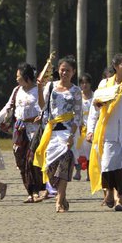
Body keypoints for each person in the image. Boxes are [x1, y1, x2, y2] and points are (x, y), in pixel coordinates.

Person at [87, 53, 122, 211]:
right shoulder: (104, 84)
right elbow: (95, 109)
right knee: (107, 165)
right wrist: (90, 130)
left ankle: (121, 198)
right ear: (115, 66)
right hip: (108, 131)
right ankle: (109, 191)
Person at [0, 62, 44, 203]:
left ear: (27, 77)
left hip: (35, 130)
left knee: (32, 160)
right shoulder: (16, 90)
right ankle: (30, 192)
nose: (16, 78)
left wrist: (41, 117)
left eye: (18, 76)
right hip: (19, 130)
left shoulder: (39, 91)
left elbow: (45, 107)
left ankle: (38, 189)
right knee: (21, 161)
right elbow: (8, 107)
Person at [34, 56, 82, 213]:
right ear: (58, 70)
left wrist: (71, 136)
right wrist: (40, 89)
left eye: (68, 70)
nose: (65, 73)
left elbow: (78, 115)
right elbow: (42, 106)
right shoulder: (50, 87)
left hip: (68, 131)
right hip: (51, 131)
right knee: (50, 168)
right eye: (62, 69)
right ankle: (62, 196)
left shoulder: (76, 91)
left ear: (73, 72)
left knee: (65, 164)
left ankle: (59, 201)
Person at [73, 73, 94, 181]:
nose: (84, 85)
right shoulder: (78, 97)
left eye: (86, 83)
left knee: (90, 152)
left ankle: (90, 174)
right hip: (79, 127)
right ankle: (78, 171)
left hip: (91, 129)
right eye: (82, 83)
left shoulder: (95, 97)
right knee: (79, 150)